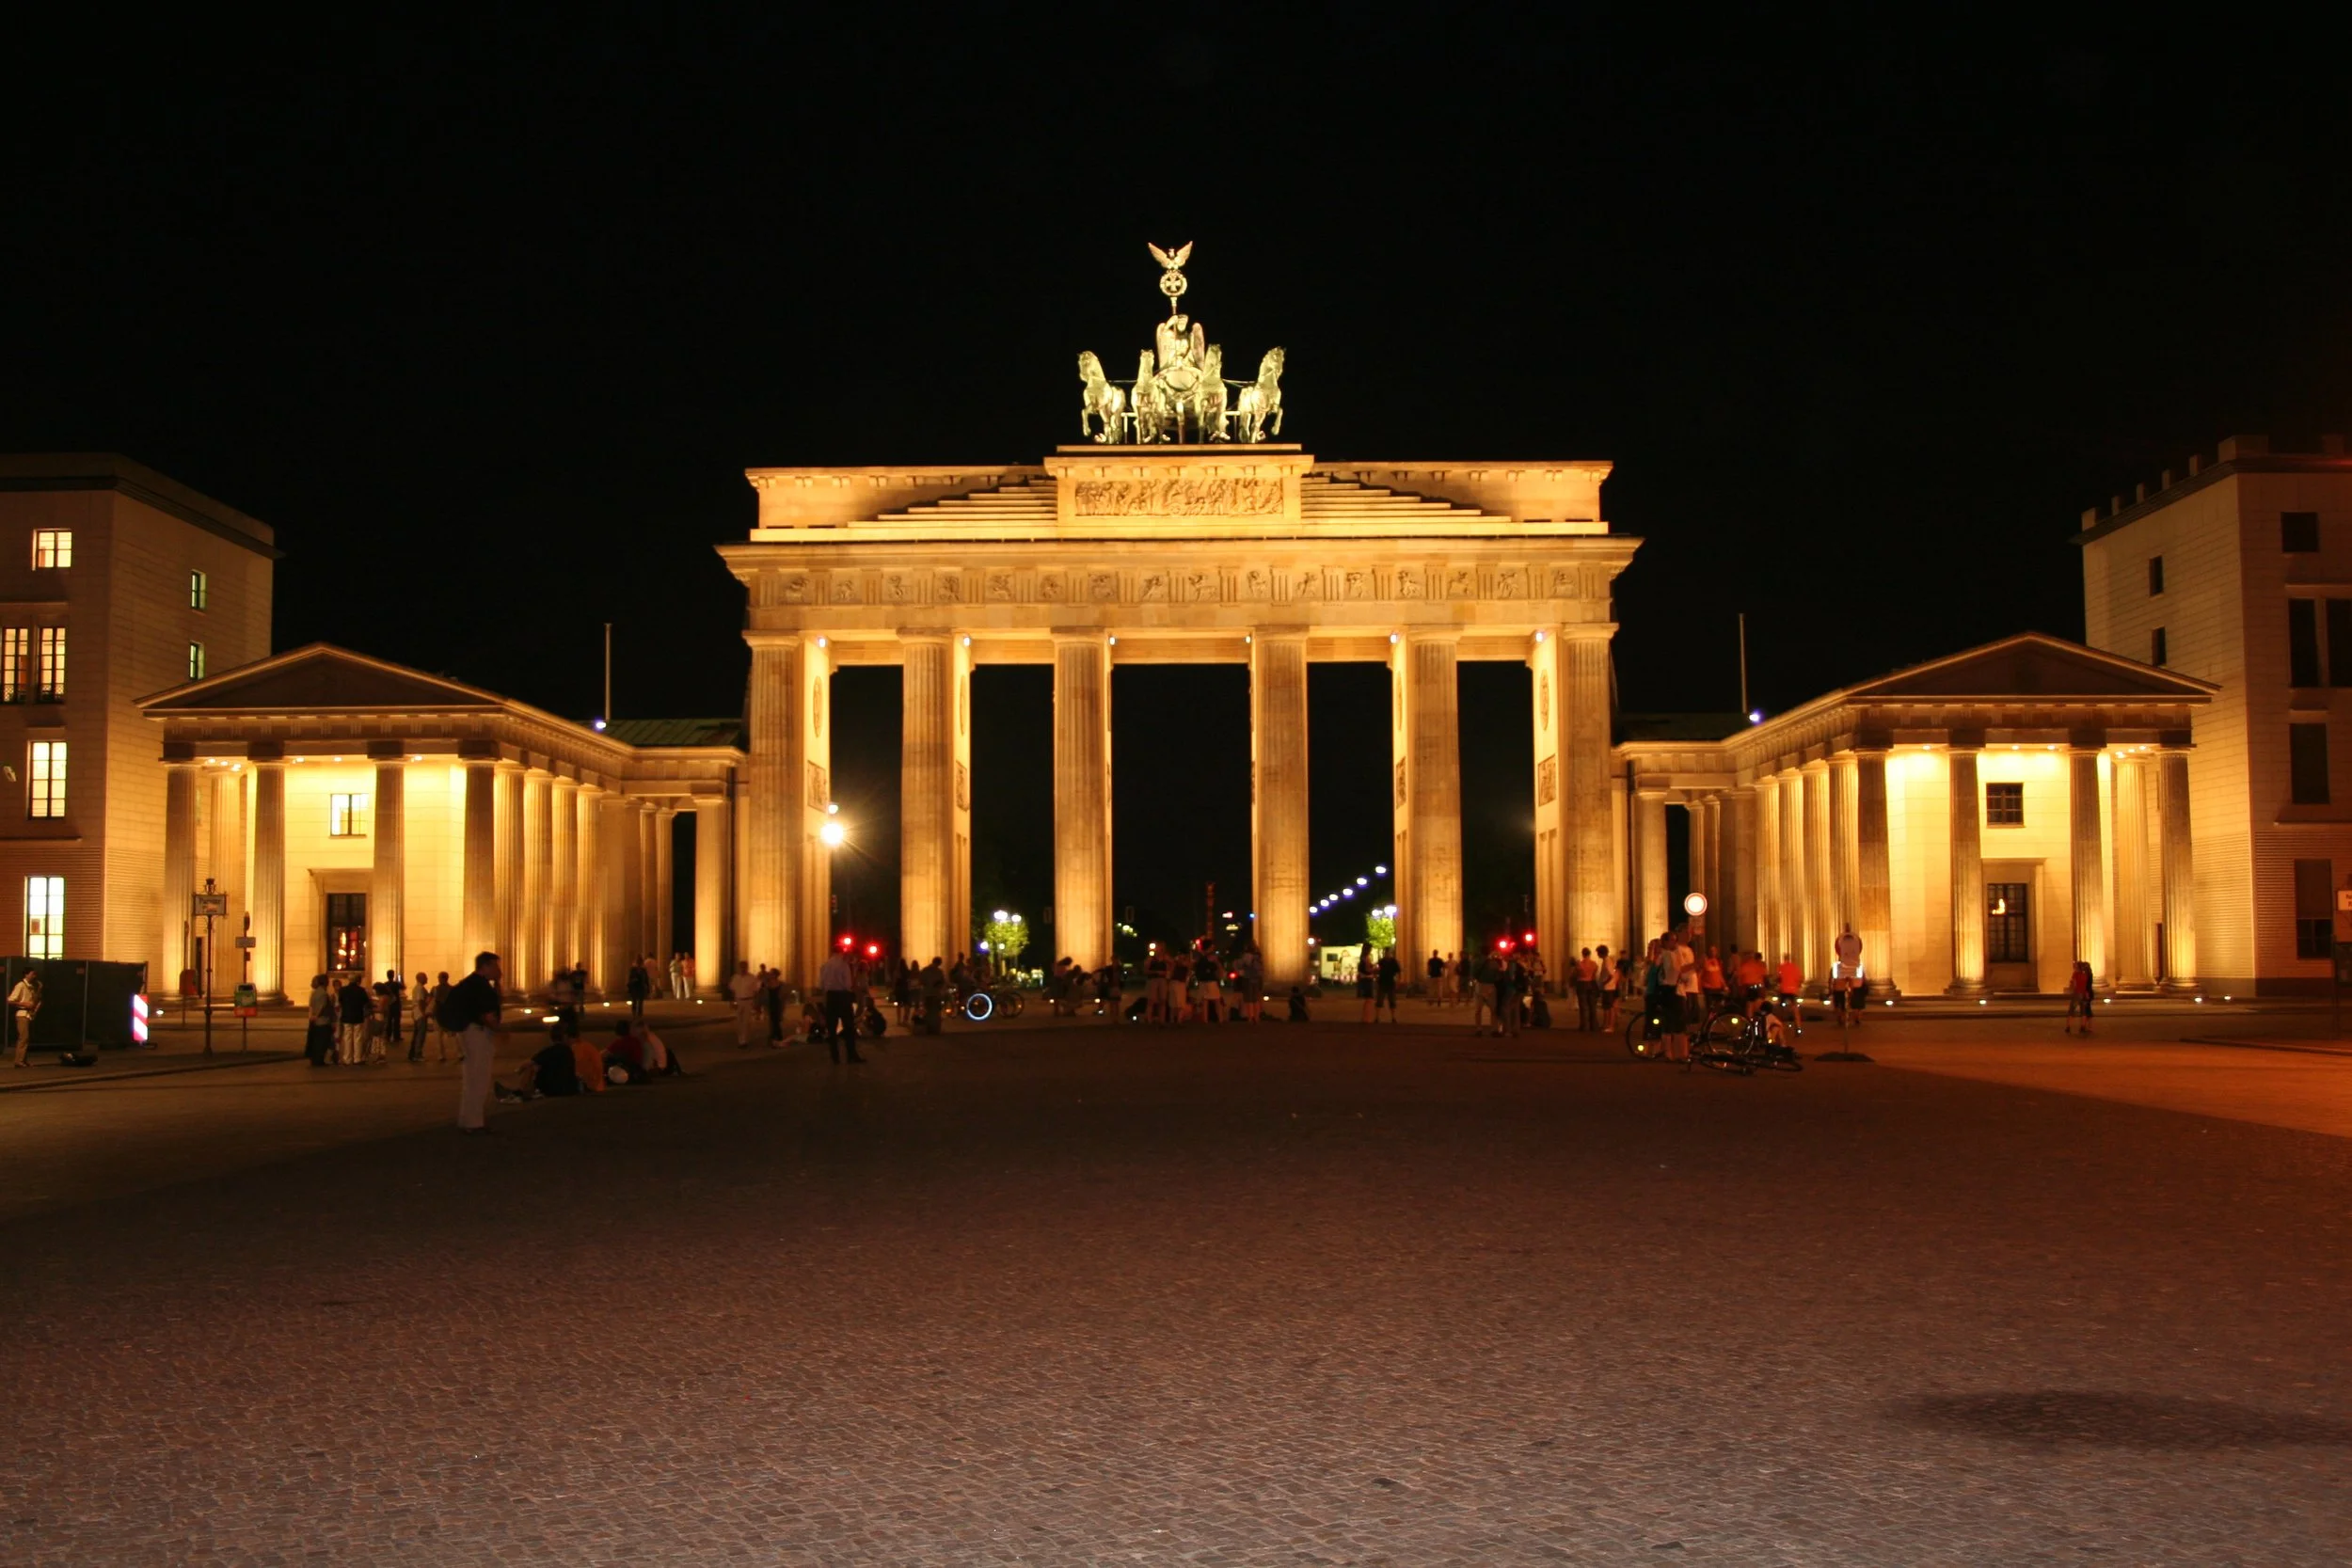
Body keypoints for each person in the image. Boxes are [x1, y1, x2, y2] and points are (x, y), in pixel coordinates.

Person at [449, 951, 503, 1133]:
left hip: (467, 1032)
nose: (498, 970)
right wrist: (499, 1030)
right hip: (478, 1033)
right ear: (486, 966)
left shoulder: (469, 983)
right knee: (479, 1078)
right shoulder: (481, 987)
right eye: (495, 966)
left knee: (472, 1077)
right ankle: (474, 1122)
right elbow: (488, 1014)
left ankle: (467, 1119)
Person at [817, 943, 857, 1062]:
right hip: (843, 996)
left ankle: (835, 1056)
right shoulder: (843, 965)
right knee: (848, 1026)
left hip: (831, 997)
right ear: (841, 952)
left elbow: (821, 985)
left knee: (832, 1028)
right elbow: (848, 984)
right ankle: (851, 1055)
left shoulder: (825, 966)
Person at [1833, 925, 1865, 1029]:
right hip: (1852, 982)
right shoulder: (1852, 964)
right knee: (1852, 1002)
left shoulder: (1842, 965)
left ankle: (1845, 1016)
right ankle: (1852, 1016)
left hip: (1848, 983)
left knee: (1843, 1002)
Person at [336, 973, 372, 1066]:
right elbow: (366, 1002)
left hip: (346, 1015)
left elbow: (340, 1001)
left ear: (349, 979)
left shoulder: (343, 990)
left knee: (347, 1037)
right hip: (358, 1016)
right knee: (358, 1037)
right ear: (357, 980)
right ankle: (357, 1058)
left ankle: (347, 1058)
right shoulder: (361, 990)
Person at [8, 968, 40, 1069]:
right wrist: (25, 1004)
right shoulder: (20, 985)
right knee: (23, 1038)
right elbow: (10, 1000)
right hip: (22, 1014)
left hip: (28, 1015)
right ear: (26, 975)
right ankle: (19, 1061)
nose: (34, 976)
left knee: (26, 1038)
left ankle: (23, 1060)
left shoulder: (31, 987)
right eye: (32, 974)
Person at [727, 961, 761, 1048]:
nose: (743, 968)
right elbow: (732, 990)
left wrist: (756, 1003)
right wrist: (732, 1001)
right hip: (738, 1000)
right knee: (739, 1021)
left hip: (748, 1000)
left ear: (747, 967)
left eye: (744, 966)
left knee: (746, 1021)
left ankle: (744, 1040)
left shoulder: (752, 978)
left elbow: (756, 991)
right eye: (741, 966)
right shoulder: (736, 977)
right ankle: (740, 1038)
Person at [373, 968, 404, 1064]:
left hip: (388, 1010)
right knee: (396, 1021)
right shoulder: (395, 984)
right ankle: (396, 1035)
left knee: (389, 1022)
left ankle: (389, 1035)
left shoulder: (386, 985)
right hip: (395, 1006)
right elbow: (402, 988)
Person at [430, 971, 456, 1063]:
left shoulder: (435, 989)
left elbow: (434, 1002)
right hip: (449, 1014)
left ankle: (441, 1055)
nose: (438, 979)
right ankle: (459, 1053)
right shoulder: (452, 989)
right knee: (453, 1035)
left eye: (439, 977)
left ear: (441, 978)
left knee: (439, 1036)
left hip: (439, 1013)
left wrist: (432, 1012)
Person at [2063, 959, 2095, 1036]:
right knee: (2083, 1011)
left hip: (2077, 993)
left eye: (2075, 966)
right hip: (2083, 994)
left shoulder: (2075, 974)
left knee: (2071, 1010)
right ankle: (2083, 1027)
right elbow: (2087, 984)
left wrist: (2071, 987)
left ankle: (2068, 1026)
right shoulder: (2085, 974)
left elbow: (2074, 984)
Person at [1774, 952, 1805, 1027]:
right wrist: (1798, 986)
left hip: (1784, 990)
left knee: (1781, 1008)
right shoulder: (1795, 967)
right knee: (1795, 1009)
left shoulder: (1781, 967)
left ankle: (1781, 1024)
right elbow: (1800, 978)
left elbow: (1778, 978)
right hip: (1793, 990)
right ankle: (1798, 1026)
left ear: (1784, 958)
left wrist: (1777, 983)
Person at [406, 972, 432, 1061]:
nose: (427, 978)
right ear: (420, 978)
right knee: (420, 1035)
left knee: (417, 1034)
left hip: (417, 1013)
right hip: (420, 1014)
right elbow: (420, 1001)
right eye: (425, 977)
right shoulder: (420, 988)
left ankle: (413, 1053)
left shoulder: (418, 988)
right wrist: (423, 1013)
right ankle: (417, 1054)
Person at [1597, 946, 1622, 1032]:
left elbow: (1611, 974)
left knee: (1609, 1007)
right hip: (1608, 987)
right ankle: (1606, 1024)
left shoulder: (1607, 961)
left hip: (1609, 987)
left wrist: (1604, 983)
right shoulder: (1606, 960)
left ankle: (1610, 1025)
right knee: (1606, 1007)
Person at [1375, 946, 1402, 1022]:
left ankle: (1393, 1017)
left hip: (1390, 982)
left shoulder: (1394, 961)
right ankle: (1377, 1017)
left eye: (1388, 952)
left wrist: (1398, 981)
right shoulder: (1381, 961)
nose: (1387, 954)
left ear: (1390, 953)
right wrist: (1376, 978)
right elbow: (1377, 970)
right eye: (1386, 952)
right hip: (1382, 982)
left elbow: (1398, 971)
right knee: (1379, 1001)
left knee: (1392, 1001)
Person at [1356, 944, 1377, 1024]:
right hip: (1368, 979)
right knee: (1369, 1000)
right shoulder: (1366, 957)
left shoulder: (1362, 957)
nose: (1371, 950)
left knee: (1367, 1000)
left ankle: (1365, 1017)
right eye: (1370, 949)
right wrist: (1374, 968)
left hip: (1364, 979)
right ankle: (1367, 1018)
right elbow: (1368, 969)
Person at [627, 957, 651, 1021]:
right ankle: (634, 1014)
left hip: (641, 987)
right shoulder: (633, 969)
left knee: (640, 1003)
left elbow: (646, 979)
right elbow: (630, 978)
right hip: (635, 987)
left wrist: (648, 988)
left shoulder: (643, 970)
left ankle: (639, 1015)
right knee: (634, 1001)